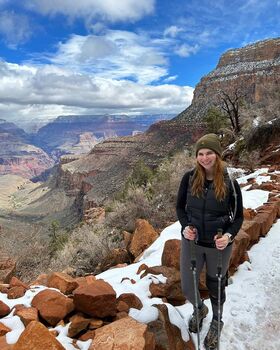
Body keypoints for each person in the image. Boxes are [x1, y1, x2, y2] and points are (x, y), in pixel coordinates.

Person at [176, 133, 243, 349]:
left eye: (209, 153)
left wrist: (228, 236)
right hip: (193, 242)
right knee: (187, 286)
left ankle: (216, 321)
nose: (204, 158)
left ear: (217, 155)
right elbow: (180, 208)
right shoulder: (188, 178)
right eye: (200, 154)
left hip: (218, 245)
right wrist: (185, 226)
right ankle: (199, 308)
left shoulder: (230, 183)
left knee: (216, 286)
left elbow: (238, 216)